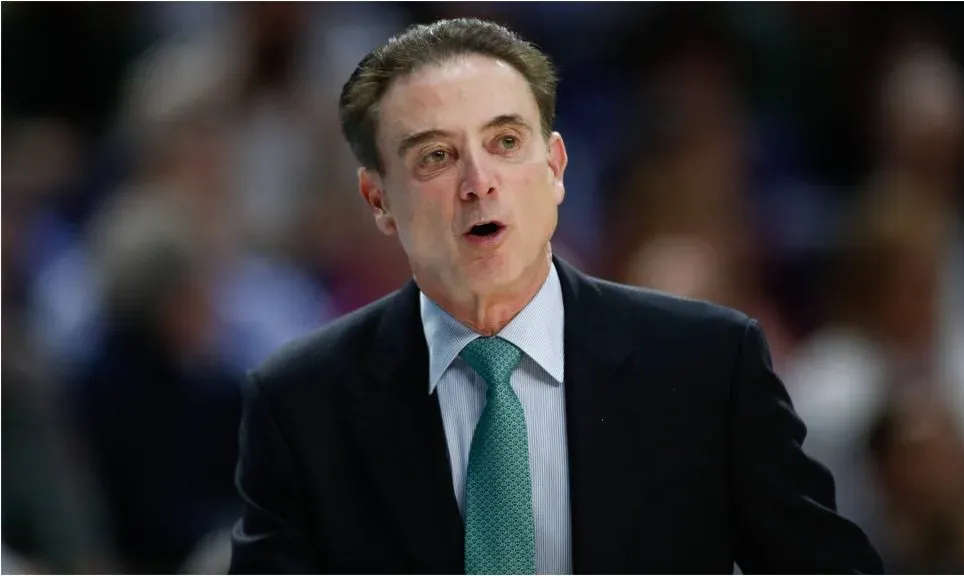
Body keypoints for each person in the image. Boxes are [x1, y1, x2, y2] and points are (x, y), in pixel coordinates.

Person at [229, 18, 882, 574]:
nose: (479, 181)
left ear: (556, 167)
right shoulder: (302, 405)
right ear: (379, 201)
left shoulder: (709, 365)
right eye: (436, 156)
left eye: (506, 142)